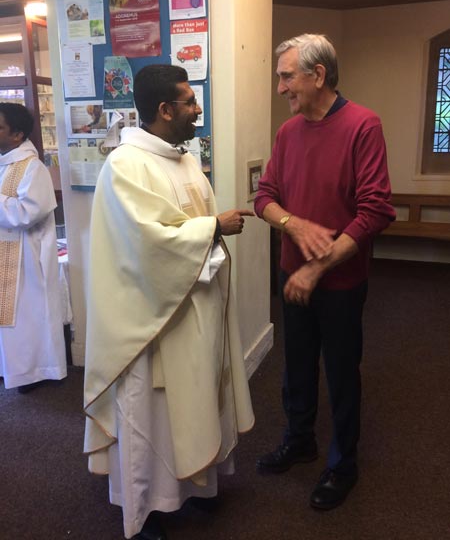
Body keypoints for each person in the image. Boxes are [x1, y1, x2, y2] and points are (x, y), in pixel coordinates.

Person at [83, 64, 255, 540]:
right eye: (189, 101)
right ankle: (146, 508)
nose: (197, 109)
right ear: (164, 109)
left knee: (196, 400)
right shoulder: (126, 166)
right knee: (152, 416)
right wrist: (214, 227)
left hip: (194, 310)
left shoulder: (183, 160)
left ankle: (195, 487)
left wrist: (208, 231)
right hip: (150, 324)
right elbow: (144, 243)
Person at [254, 34, 395, 510]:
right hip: (291, 274)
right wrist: (293, 225)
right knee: (296, 365)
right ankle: (300, 440)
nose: (280, 88)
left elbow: (375, 211)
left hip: (339, 282)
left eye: (286, 76)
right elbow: (264, 197)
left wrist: (316, 268)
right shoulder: (287, 132)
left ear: (318, 75)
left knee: (340, 371)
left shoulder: (363, 125)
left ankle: (342, 464)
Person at [0, 102, 67, 393]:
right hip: (5, 252)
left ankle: (33, 372)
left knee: (26, 318)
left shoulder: (33, 167)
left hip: (26, 257)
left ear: (17, 134)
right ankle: (8, 368)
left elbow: (27, 213)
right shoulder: (4, 162)